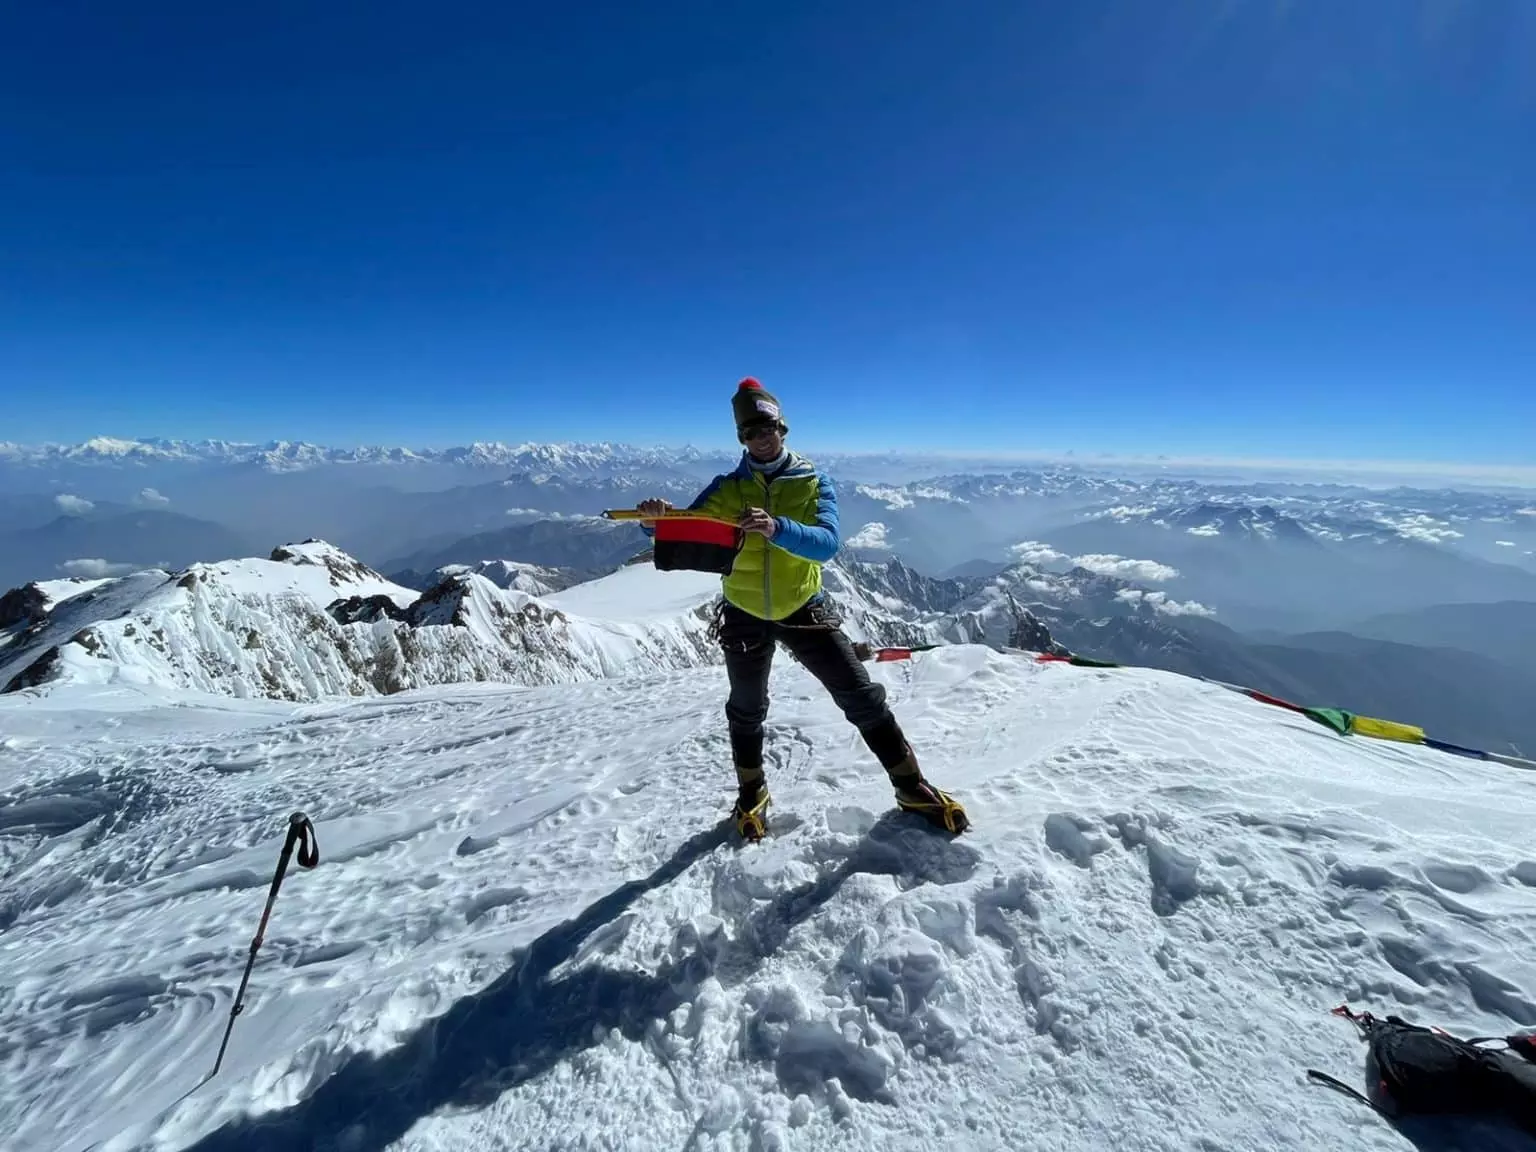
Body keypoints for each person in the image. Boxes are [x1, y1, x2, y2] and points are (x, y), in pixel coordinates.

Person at [636, 377, 967, 840]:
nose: (760, 436)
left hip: (800, 606)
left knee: (861, 696)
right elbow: (688, 531)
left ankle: (911, 786)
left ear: (782, 428)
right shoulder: (726, 488)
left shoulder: (813, 483)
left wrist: (777, 528)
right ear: (741, 439)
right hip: (745, 611)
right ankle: (752, 793)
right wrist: (656, 523)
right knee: (747, 709)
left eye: (766, 426)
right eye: (750, 431)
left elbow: (826, 545)